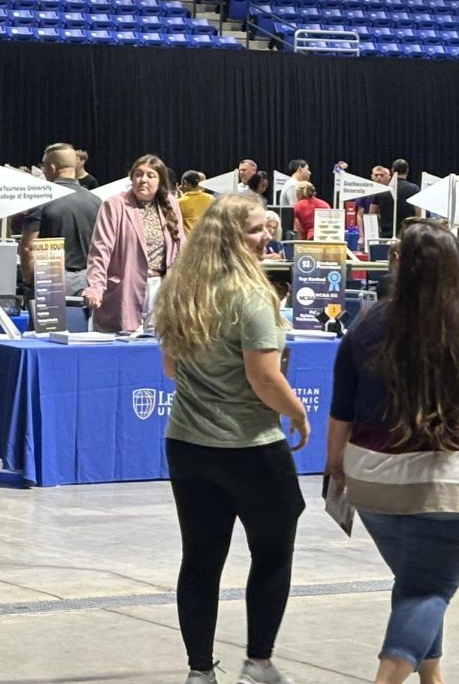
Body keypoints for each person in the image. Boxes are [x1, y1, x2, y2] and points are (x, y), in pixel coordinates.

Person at [327, 219, 459, 684]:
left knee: (415, 582)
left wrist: (336, 465)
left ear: (400, 265)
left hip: (373, 483)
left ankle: (431, 678)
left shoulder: (366, 324)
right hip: (448, 487)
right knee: (427, 591)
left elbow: (341, 408)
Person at [153, 192, 309, 684]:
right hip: (251, 448)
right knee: (273, 552)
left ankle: (201, 671)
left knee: (200, 560)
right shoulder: (252, 296)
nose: (270, 236)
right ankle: (258, 662)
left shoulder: (179, 288)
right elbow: (265, 379)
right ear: (234, 238)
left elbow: (171, 368)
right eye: (260, 229)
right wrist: (300, 413)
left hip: (188, 445)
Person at [84, 154, 183, 332]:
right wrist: (95, 286)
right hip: (125, 289)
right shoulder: (115, 205)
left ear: (160, 180)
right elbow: (100, 250)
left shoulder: (171, 204)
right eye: (138, 174)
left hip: (162, 289)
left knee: (159, 349)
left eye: (150, 175)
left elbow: (180, 247)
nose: (143, 180)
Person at [20, 143, 102, 296]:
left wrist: (28, 281)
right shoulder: (97, 201)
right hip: (89, 279)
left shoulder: (41, 200)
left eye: (43, 165)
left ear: (51, 167)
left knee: (49, 321)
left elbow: (28, 247)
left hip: (50, 276)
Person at [370, 159, 420, 239]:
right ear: (407, 171)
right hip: (408, 236)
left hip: (385, 237)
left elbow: (372, 214)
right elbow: (419, 214)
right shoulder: (414, 189)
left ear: (392, 171)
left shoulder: (382, 191)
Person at [177, 170, 214, 234]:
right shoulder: (211, 199)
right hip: (208, 239)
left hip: (189, 241)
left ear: (184, 183)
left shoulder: (179, 202)